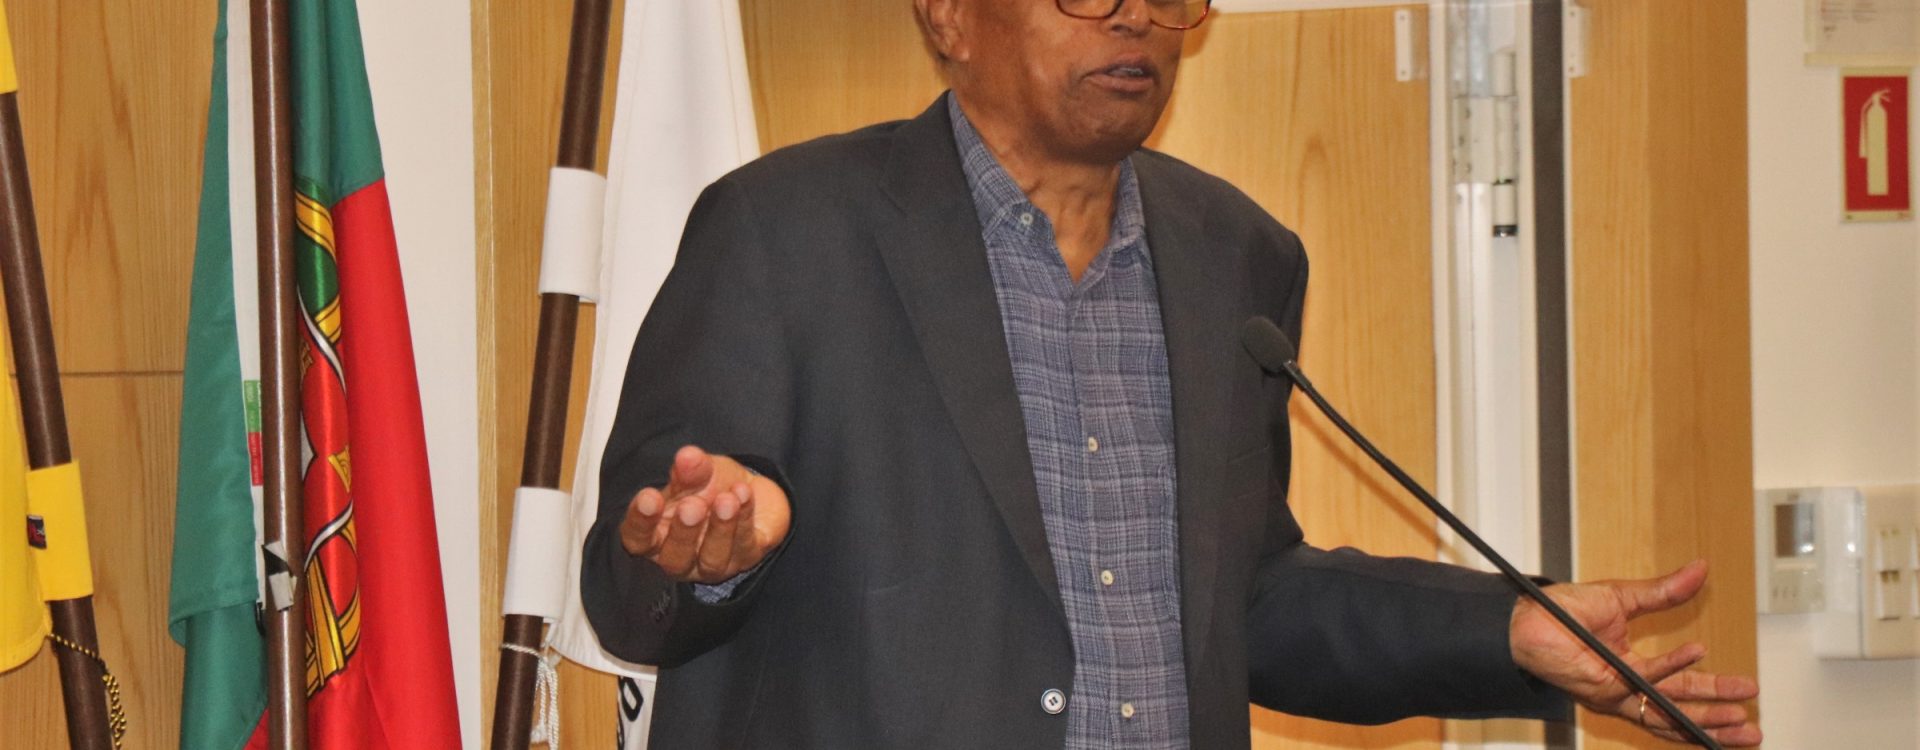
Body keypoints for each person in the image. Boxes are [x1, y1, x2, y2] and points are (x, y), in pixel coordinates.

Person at [579, 0, 1763, 747]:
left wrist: (1509, 632)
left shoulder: (1235, 257)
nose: (1138, 18)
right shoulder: (784, 232)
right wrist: (707, 557)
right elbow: (631, 586)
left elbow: (1252, 604)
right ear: (947, 15)